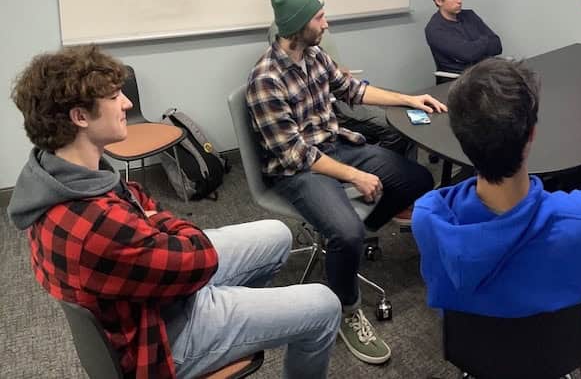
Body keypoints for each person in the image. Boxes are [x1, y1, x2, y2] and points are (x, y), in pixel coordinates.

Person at [6, 46, 340, 379]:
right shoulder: (95, 222)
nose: (127, 103)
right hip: (158, 338)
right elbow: (199, 260)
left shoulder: (58, 172)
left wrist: (154, 223)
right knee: (324, 305)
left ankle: (237, 321)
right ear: (80, 117)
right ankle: (225, 329)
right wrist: (161, 226)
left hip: (149, 294)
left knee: (277, 235)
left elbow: (142, 200)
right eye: (114, 97)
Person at [248, 0, 442, 365]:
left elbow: (353, 90)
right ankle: (345, 309)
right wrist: (354, 175)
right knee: (346, 231)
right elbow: (296, 153)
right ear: (298, 25)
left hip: (335, 146)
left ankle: (351, 240)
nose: (326, 22)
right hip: (296, 170)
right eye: (319, 17)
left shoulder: (315, 56)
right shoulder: (266, 79)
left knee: (419, 180)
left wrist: (408, 98)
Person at [412, 58, 581, 324]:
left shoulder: (427, 216)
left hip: (471, 352)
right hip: (556, 354)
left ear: (460, 137)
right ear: (532, 135)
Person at [267, 0, 416, 158]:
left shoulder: (315, 30)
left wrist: (337, 70)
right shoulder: (286, 34)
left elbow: (339, 80)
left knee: (405, 109)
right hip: (330, 106)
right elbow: (306, 86)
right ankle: (375, 169)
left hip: (341, 92)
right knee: (398, 126)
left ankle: (383, 166)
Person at [424, 0, 502, 73]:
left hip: (483, 74)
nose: (459, 0)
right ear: (439, 1)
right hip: (457, 81)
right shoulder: (435, 29)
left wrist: (473, 46)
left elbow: (497, 44)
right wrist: (485, 41)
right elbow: (468, 54)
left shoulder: (470, 15)